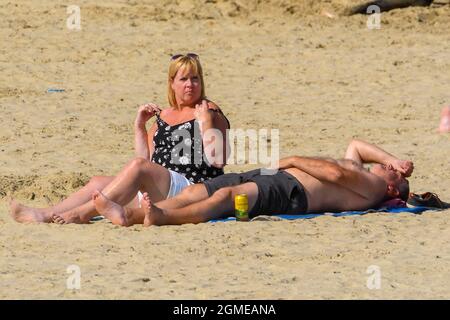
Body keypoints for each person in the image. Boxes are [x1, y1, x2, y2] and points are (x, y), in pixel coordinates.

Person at [10, 53, 230, 224]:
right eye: (183, 79)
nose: (190, 84)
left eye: (195, 78)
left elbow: (219, 160)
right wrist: (139, 126)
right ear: (172, 83)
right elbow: (146, 159)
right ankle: (45, 214)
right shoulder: (164, 115)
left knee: (137, 168)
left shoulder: (209, 110)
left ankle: (82, 214)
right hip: (162, 188)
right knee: (98, 181)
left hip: (192, 190)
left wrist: (206, 122)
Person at [81, 139, 414, 227]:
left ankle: (140, 216)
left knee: (227, 197)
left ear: (390, 189)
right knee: (202, 190)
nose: (388, 168)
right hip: (275, 175)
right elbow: (356, 145)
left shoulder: (371, 189)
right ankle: (137, 213)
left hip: (291, 191)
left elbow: (336, 174)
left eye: (393, 174)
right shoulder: (366, 172)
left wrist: (293, 160)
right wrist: (394, 158)